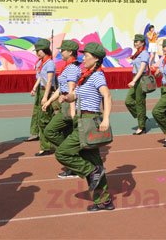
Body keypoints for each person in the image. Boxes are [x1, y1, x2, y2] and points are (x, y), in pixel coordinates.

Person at [54, 42, 114, 211]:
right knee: (95, 162)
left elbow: (107, 96)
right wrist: (67, 97)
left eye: (86, 56)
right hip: (82, 120)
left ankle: (89, 171)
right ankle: (104, 200)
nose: (83, 58)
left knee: (63, 152)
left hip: (89, 120)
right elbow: (76, 95)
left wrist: (106, 119)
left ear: (96, 59)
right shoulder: (86, 76)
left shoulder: (97, 76)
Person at [42, 40, 81, 178]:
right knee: (67, 134)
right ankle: (73, 164)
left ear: (70, 52)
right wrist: (49, 100)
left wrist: (72, 111)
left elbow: (71, 89)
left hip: (69, 105)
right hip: (65, 103)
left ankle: (71, 154)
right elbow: (61, 88)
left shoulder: (72, 68)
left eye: (63, 50)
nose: (60, 52)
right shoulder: (68, 67)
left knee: (50, 131)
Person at [29, 39, 56, 156]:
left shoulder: (49, 63)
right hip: (42, 90)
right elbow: (40, 77)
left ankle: (47, 146)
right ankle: (46, 145)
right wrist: (34, 88)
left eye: (39, 51)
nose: (37, 53)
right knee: (41, 118)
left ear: (44, 50)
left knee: (44, 119)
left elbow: (49, 81)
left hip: (47, 91)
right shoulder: (43, 62)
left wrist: (45, 97)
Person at [126, 34, 150, 135]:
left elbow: (142, 69)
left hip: (141, 79)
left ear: (143, 42)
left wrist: (134, 80)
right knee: (128, 101)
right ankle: (142, 117)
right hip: (135, 78)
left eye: (137, 41)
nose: (135, 43)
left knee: (140, 102)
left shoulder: (144, 53)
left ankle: (141, 126)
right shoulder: (137, 53)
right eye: (135, 41)